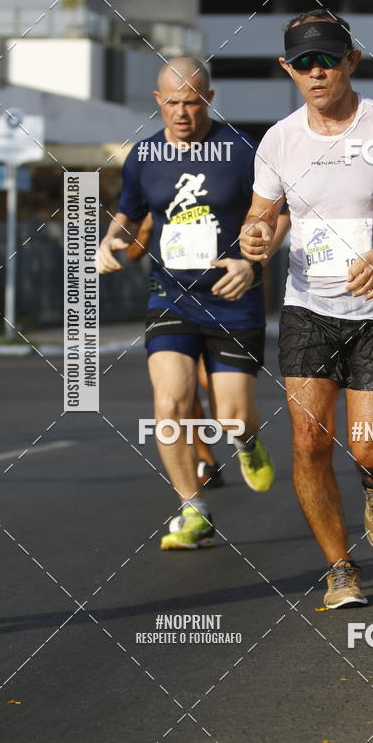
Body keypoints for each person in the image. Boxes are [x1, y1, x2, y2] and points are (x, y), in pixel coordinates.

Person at [240, 9, 373, 608]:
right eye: (303, 62)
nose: (316, 71)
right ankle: (340, 568)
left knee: (370, 446)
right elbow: (261, 218)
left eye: (327, 59)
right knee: (309, 441)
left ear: (351, 61)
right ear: (288, 69)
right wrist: (256, 238)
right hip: (307, 307)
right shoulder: (279, 138)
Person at [97, 56, 289, 549]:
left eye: (193, 101)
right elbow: (129, 212)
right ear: (158, 101)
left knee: (231, 417)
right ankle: (193, 508)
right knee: (170, 404)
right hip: (171, 296)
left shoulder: (241, 149)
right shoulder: (143, 156)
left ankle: (246, 441)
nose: (183, 113)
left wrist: (254, 262)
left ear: (209, 98)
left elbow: (279, 213)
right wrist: (107, 241)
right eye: (174, 103)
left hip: (233, 298)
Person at [127, 213, 225, 487]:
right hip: (173, 305)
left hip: (220, 303)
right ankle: (206, 459)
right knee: (184, 392)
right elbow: (132, 253)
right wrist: (145, 229)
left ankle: (241, 429)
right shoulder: (154, 195)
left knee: (213, 384)